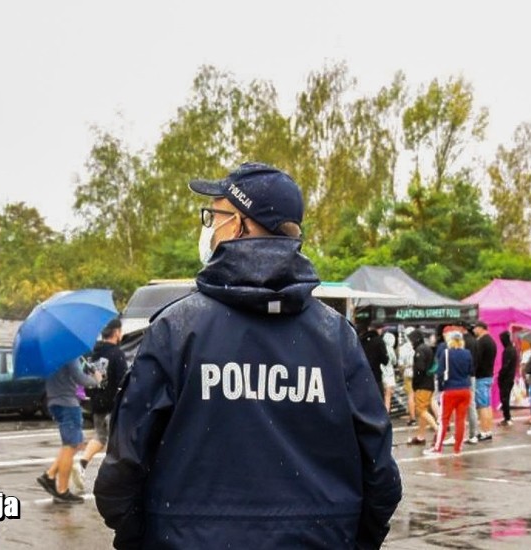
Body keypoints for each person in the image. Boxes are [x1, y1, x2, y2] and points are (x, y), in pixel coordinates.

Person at [94, 162, 402, 549]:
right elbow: (380, 473)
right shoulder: (336, 337)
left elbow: (121, 471)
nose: (209, 227)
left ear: (239, 225)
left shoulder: (177, 329)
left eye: (214, 215)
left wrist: (147, 536)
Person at [37, 356, 102, 502]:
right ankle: (62, 490)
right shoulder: (69, 355)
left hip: (54, 401)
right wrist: (96, 379)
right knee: (71, 446)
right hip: (68, 403)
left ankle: (50, 475)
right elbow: (80, 378)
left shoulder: (51, 357)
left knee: (72, 445)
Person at [79, 318, 128, 471]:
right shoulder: (117, 354)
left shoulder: (93, 355)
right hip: (114, 405)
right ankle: (114, 473)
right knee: (120, 441)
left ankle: (81, 463)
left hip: (97, 404)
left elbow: (86, 379)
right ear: (116, 332)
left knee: (100, 437)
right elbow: (124, 380)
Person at [425, 332, 474, 456]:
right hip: (465, 389)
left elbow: (440, 373)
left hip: (450, 389)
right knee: (461, 420)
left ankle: (438, 447)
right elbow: (471, 371)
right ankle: (458, 448)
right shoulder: (467, 353)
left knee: (444, 420)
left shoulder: (446, 353)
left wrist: (442, 387)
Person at [407, 329, 437, 446]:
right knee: (423, 410)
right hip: (429, 384)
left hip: (422, 385)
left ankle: (437, 430)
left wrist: (415, 385)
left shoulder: (419, 350)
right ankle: (421, 436)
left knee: (421, 410)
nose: (410, 342)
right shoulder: (427, 348)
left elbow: (420, 369)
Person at [472, 321, 497, 441]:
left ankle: (485, 431)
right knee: (487, 405)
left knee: (482, 406)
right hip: (489, 375)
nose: (473, 330)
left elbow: (477, 360)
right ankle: (488, 429)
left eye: (475, 328)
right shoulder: (491, 341)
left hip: (481, 377)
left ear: (480, 328)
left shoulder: (482, 342)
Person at [359, 322, 389, 399]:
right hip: (376, 377)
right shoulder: (379, 341)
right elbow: (385, 360)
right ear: (378, 329)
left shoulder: (360, 339)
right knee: (378, 401)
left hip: (362, 376)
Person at [462, 323, 480, 444]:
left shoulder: (464, 342)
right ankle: (473, 433)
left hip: (465, 376)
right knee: (471, 404)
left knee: (468, 405)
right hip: (473, 374)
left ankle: (473, 433)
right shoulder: (475, 341)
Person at [497, 331, 518, 427]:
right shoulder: (512, 350)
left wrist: (500, 375)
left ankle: (507, 417)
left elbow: (505, 366)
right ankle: (507, 417)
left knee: (504, 398)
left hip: (506, 378)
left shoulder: (508, 351)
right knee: (505, 398)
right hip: (510, 377)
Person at [398, 329, 417, 425]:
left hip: (407, 373)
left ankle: (412, 417)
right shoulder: (416, 347)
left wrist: (402, 372)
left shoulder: (403, 348)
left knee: (410, 396)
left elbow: (400, 364)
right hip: (417, 373)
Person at [381, 331, 398, 413]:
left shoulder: (381, 348)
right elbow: (395, 362)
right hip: (389, 376)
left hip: (382, 375)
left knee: (383, 395)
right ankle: (386, 412)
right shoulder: (391, 349)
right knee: (388, 396)